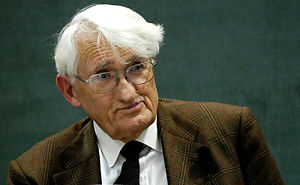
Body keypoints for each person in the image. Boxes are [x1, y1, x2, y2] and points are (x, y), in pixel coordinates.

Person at [7, 4, 285, 185]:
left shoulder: (229, 131)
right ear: (70, 90)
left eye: (137, 67)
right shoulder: (35, 174)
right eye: (104, 76)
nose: (128, 93)